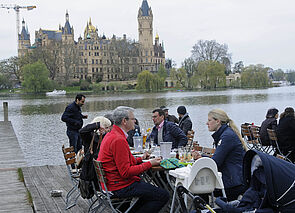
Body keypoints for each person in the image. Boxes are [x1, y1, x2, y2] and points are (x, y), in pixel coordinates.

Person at [97, 106, 169, 213]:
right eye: (132, 119)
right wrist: (149, 163)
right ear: (124, 121)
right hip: (119, 186)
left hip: (111, 183)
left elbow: (122, 162)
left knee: (149, 193)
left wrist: (141, 159)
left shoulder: (111, 135)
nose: (135, 121)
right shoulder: (118, 139)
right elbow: (125, 172)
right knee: (163, 195)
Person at [193, 109, 247, 201]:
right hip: (232, 178)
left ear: (218, 121)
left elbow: (215, 163)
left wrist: (201, 159)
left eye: (209, 120)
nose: (207, 123)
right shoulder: (225, 134)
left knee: (199, 189)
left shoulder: (226, 136)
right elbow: (218, 159)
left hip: (233, 183)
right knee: (199, 188)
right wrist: (201, 157)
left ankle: (204, 210)